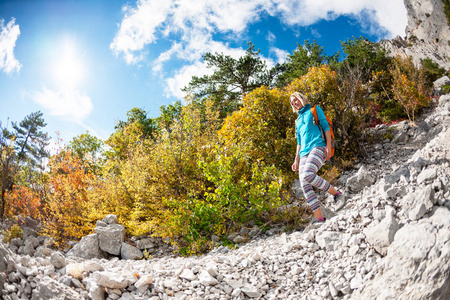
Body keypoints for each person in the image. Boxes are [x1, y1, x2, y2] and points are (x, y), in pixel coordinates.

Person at [290, 92, 346, 224]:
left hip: (318, 146)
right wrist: (296, 159)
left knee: (308, 174)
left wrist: (327, 146)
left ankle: (337, 194)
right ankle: (320, 218)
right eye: (292, 103)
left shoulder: (314, 110)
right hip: (303, 153)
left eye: (296, 100)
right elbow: (299, 141)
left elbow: (326, 127)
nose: (295, 103)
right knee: (304, 184)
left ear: (301, 98)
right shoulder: (297, 121)